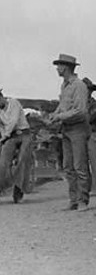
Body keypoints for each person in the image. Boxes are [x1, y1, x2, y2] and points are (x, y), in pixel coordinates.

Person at [44, 54, 90, 212]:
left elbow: (81, 111)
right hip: (67, 129)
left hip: (78, 128)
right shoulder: (64, 86)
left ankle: (83, 200)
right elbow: (63, 106)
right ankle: (74, 200)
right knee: (68, 166)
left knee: (80, 166)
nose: (57, 68)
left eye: (59, 66)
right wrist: (55, 115)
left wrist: (58, 116)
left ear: (66, 67)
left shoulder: (79, 86)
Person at [0, 88, 34, 206]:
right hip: (10, 137)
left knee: (22, 160)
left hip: (24, 134)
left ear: (1, 97)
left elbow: (13, 121)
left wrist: (5, 135)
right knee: (1, 160)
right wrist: (4, 137)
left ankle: (18, 191)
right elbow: (2, 127)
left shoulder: (14, 103)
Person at [83, 77, 96, 189]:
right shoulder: (76, 103)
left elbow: (90, 118)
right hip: (79, 134)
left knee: (94, 161)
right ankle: (86, 187)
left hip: (92, 134)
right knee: (81, 163)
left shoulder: (93, 104)